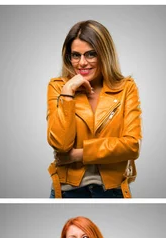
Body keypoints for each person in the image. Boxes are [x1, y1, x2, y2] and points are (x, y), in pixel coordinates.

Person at [47, 20, 142, 198]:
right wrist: (68, 92)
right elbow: (60, 145)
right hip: (68, 190)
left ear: (104, 55)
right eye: (75, 55)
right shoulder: (58, 87)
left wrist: (78, 155)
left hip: (112, 190)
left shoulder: (126, 88)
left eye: (91, 54)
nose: (82, 63)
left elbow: (131, 146)